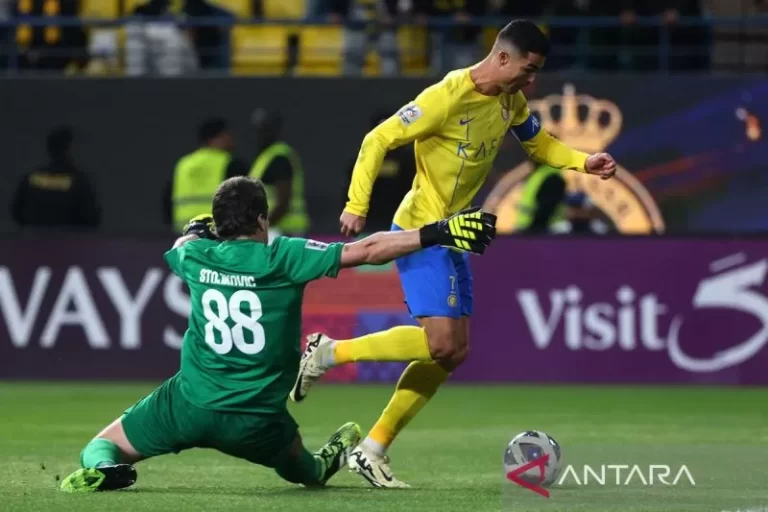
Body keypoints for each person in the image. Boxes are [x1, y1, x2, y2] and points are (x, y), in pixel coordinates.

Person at [290, 20, 617, 488]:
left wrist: (582, 161)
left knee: (452, 353)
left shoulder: (510, 98)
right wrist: (356, 205)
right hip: (422, 229)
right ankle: (328, 352)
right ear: (503, 58)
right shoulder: (445, 97)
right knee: (440, 343)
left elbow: (538, 143)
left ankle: (373, 449)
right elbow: (378, 139)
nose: (531, 81)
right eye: (528, 70)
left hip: (458, 232)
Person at [59, 176, 497, 493]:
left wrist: (196, 230)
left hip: (187, 405)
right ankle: (330, 457)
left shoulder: (194, 256)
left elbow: (181, 245)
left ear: (218, 223)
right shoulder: (282, 257)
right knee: (305, 472)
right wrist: (438, 232)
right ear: (263, 218)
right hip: (258, 421)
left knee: (101, 445)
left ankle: (107, 470)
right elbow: (368, 250)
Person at [167, 118, 249, 232]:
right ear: (215, 138)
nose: (232, 140)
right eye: (227, 136)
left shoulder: (183, 164)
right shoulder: (229, 163)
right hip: (217, 231)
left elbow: (168, 198)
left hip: (184, 231)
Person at [11, 126, 101, 228]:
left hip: (36, 239)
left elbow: (17, 212)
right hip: (70, 240)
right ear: (69, 150)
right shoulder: (79, 181)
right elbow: (91, 217)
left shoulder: (33, 178)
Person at [249, 108, 309, 237]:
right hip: (275, 230)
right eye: (260, 128)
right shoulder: (265, 157)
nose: (262, 133)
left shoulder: (279, 158)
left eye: (266, 128)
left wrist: (260, 228)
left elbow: (283, 201)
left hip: (283, 232)